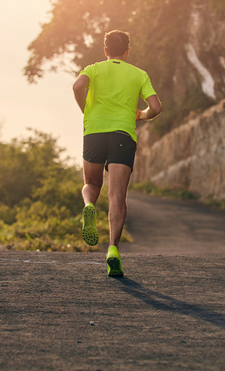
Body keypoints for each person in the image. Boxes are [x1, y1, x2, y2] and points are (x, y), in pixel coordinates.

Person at [72, 30, 162, 277]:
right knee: (117, 196)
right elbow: (156, 107)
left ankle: (89, 205)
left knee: (91, 183)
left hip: (94, 131)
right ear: (127, 51)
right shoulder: (138, 74)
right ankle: (113, 249)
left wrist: (86, 109)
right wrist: (140, 115)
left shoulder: (93, 69)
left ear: (105, 50)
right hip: (123, 134)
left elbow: (77, 85)